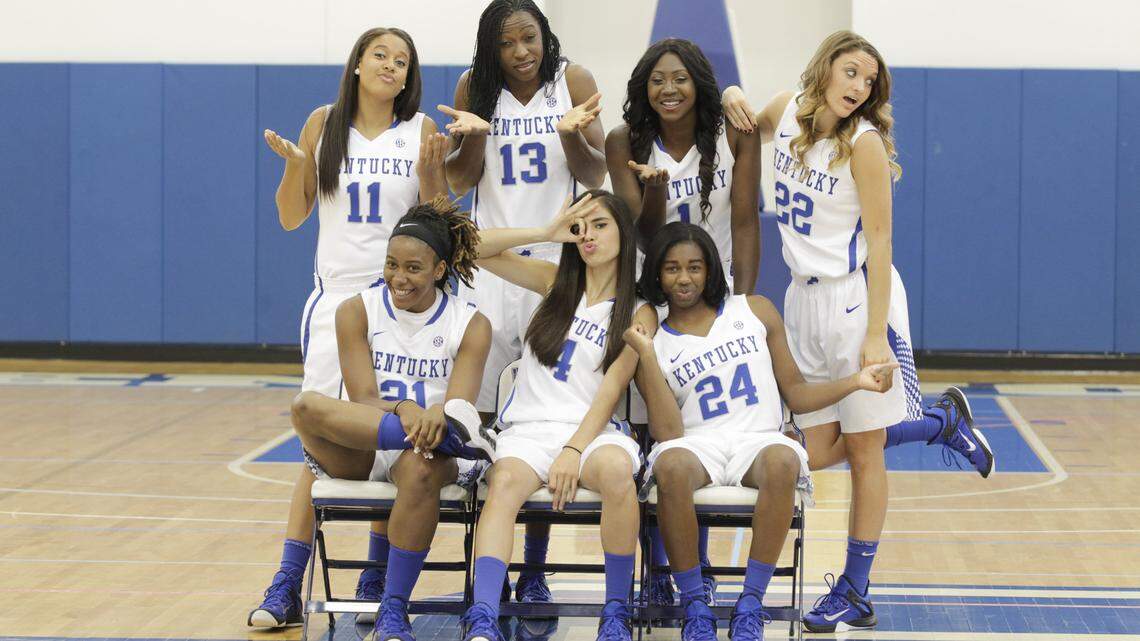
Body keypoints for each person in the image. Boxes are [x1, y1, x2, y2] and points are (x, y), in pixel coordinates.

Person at [719, 31, 995, 633]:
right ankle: (937, 422)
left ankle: (855, 589)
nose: (859, 87)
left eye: (869, 80)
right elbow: (753, 128)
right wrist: (732, 93)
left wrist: (875, 335)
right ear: (823, 70)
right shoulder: (790, 107)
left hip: (857, 300)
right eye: (851, 73)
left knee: (865, 448)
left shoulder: (865, 145)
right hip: (801, 299)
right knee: (812, 452)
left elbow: (880, 243)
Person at [249, 27, 449, 628]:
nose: (391, 66)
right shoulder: (323, 122)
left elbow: (443, 225)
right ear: (358, 64)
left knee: (390, 439)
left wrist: (436, 174)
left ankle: (376, 570)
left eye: (403, 60)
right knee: (321, 450)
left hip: (400, 302)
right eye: (380, 55)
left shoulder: (421, 132)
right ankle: (288, 581)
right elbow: (291, 216)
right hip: (336, 299)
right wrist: (295, 168)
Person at [627, 222, 897, 641]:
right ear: (657, 276)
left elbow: (797, 393)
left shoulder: (753, 310)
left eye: (695, 267)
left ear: (711, 270)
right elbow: (668, 431)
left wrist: (855, 382)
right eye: (672, 269)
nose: (684, 278)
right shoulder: (652, 337)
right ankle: (696, 606)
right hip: (697, 445)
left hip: (759, 438)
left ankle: (751, 603)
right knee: (672, 467)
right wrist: (645, 355)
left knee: (783, 459)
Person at [440, 0, 607, 612]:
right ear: (491, 47)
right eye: (507, 42)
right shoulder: (472, 87)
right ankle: (484, 568)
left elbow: (596, 173)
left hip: (553, 271)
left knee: (541, 420)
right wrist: (474, 138)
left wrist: (571, 133)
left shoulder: (575, 82)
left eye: (529, 38)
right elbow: (459, 181)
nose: (520, 52)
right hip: (490, 265)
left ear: (545, 36)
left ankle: (534, 570)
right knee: (479, 423)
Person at [287, 199, 494, 641]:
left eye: (413, 268)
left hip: (431, 450)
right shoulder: (356, 310)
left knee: (420, 466)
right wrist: (406, 411)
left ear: (439, 270)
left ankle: (393, 609)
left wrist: (437, 417)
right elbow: (363, 399)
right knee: (306, 407)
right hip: (372, 439)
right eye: (391, 264)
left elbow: (460, 405)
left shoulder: (470, 323)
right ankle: (292, 580)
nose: (399, 277)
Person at [606, 37, 762, 609]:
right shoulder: (624, 141)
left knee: (705, 429)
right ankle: (656, 569)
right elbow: (640, 236)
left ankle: (700, 567)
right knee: (653, 432)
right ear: (644, 89)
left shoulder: (733, 134)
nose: (668, 90)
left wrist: (740, 301)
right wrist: (653, 194)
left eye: (679, 79)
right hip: (651, 293)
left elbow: (745, 222)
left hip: (713, 295)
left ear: (699, 83)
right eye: (656, 80)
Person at [459, 191, 657, 641]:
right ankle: (485, 615)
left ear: (625, 235)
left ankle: (616, 612)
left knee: (617, 473)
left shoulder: (639, 310)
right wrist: (545, 232)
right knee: (503, 482)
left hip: (592, 432)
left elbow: (612, 388)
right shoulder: (553, 283)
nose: (588, 235)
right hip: (528, 432)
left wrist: (573, 448)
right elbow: (467, 246)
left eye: (601, 224)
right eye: (581, 226)